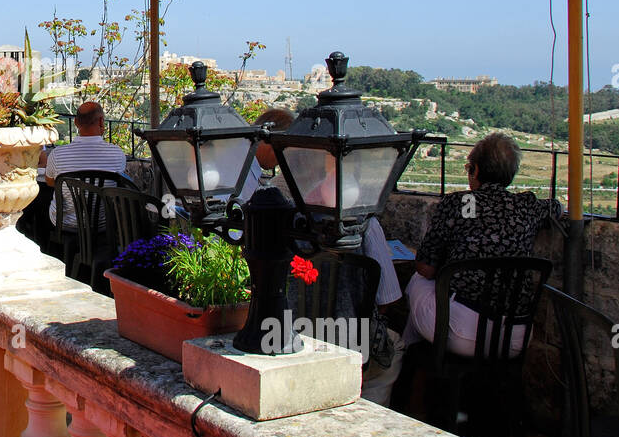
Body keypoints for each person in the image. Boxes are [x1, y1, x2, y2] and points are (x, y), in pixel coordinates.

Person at [241, 106, 406, 405]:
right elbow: (388, 298)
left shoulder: (282, 211)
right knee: (396, 349)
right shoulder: (365, 225)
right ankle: (367, 407)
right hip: (347, 339)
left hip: (286, 331)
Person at [402, 132, 564, 358]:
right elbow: (556, 208)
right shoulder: (527, 205)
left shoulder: (457, 203)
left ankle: (404, 361)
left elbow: (425, 268)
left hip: (464, 333)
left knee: (419, 280)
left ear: (476, 170)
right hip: (516, 338)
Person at [42, 101, 126, 230]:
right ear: (101, 121)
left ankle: (49, 245)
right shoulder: (117, 154)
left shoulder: (57, 154)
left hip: (65, 224)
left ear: (75, 122)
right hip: (102, 225)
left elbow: (50, 182)